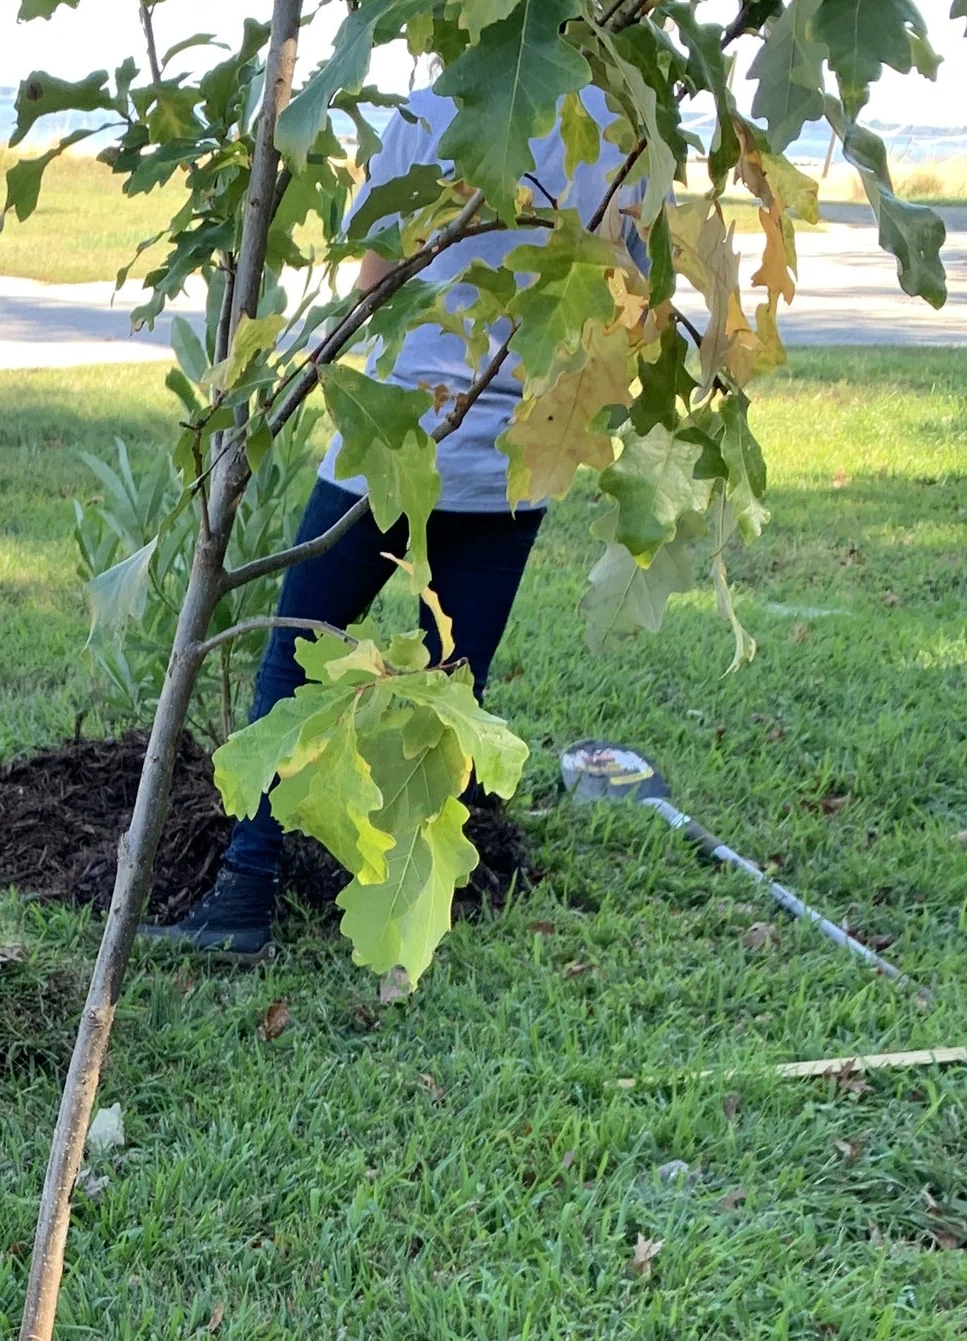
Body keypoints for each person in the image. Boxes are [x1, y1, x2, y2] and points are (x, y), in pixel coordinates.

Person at [148, 85, 633, 965]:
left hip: (392, 446)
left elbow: (375, 276)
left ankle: (244, 891)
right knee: (448, 701)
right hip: (516, 458)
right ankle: (412, 905)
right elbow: (626, 288)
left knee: (293, 656)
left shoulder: (429, 110)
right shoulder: (621, 124)